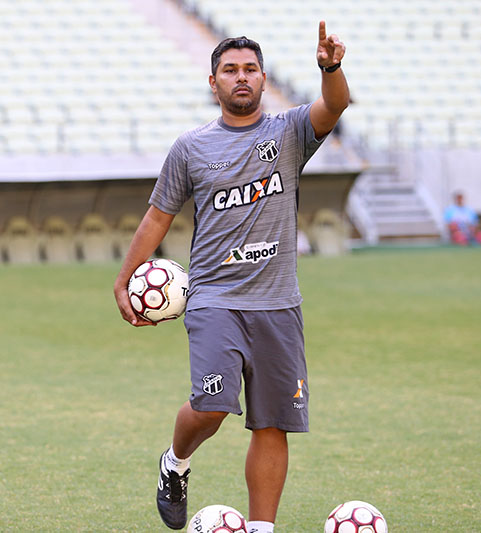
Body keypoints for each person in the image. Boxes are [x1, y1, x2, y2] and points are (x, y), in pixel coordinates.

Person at [113, 22, 349, 532]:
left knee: (272, 424)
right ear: (213, 82)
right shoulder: (191, 147)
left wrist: (330, 68)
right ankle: (174, 463)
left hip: (279, 303)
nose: (240, 77)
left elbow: (334, 105)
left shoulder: (288, 134)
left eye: (249, 69)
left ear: (264, 80)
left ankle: (262, 528)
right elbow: (159, 214)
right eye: (229, 70)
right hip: (214, 299)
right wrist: (126, 275)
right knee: (213, 407)